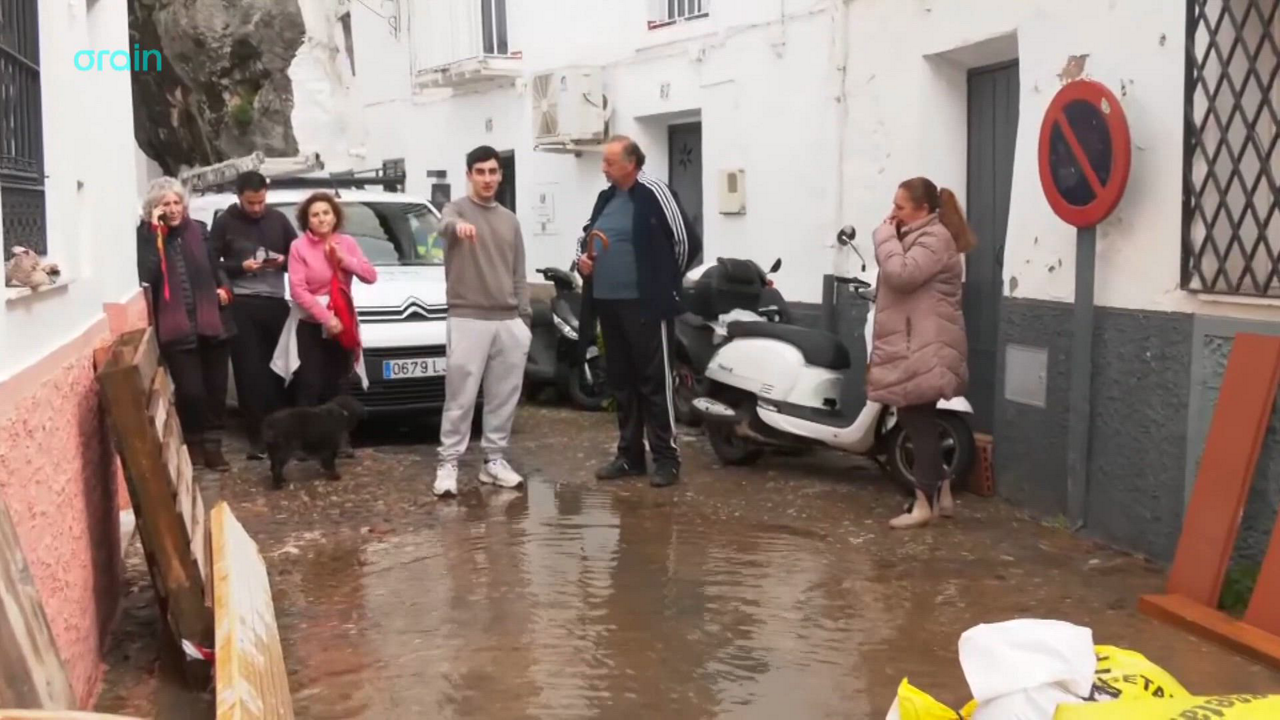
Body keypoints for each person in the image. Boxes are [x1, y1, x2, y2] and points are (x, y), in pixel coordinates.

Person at [574, 136, 702, 488]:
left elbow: (687, 242)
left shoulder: (654, 192)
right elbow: (585, 237)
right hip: (608, 304)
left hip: (645, 305)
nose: (603, 168)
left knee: (654, 382)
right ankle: (629, 456)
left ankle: (666, 459)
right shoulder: (606, 198)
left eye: (609, 162)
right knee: (623, 383)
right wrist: (581, 260)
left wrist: (663, 282)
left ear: (631, 163)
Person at [868, 177, 974, 529]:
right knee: (917, 417)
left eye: (900, 207)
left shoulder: (934, 238)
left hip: (926, 345)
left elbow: (901, 274)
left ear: (923, 209)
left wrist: (884, 236)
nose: (893, 212)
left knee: (917, 420)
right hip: (920, 343)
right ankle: (941, 492)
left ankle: (924, 503)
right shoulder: (921, 236)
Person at [432, 145, 533, 498]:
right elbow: (444, 224)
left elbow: (519, 273)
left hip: (508, 320)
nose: (487, 178)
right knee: (460, 396)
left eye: (493, 172)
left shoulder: (510, 220)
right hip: (467, 316)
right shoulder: (457, 209)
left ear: (500, 175)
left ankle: (494, 460)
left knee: (503, 396)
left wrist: (524, 319)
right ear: (469, 175)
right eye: (480, 172)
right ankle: (448, 464)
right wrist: (458, 227)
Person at [136, 177, 236, 471]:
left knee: (216, 390)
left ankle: (213, 446)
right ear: (154, 209)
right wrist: (154, 232)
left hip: (213, 321)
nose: (173, 209)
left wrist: (225, 289)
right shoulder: (146, 237)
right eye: (165, 204)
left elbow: (216, 266)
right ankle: (193, 443)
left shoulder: (200, 231)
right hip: (176, 328)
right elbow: (148, 274)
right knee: (191, 392)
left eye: (177, 202)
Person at [208, 171, 298, 459]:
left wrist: (284, 261)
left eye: (261, 201)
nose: (257, 208)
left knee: (281, 369)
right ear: (239, 197)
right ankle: (257, 438)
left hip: (276, 302)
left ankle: (283, 434)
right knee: (249, 373)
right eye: (251, 203)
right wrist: (240, 267)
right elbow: (210, 262)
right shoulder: (225, 222)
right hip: (242, 304)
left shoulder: (279, 220)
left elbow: (299, 257)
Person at [271, 192, 377, 411]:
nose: (321, 219)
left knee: (339, 384)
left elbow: (370, 276)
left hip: (342, 323)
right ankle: (307, 431)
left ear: (335, 216)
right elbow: (298, 291)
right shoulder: (299, 247)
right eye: (315, 215)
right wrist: (326, 318)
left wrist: (344, 260)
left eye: (326, 213)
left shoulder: (347, 243)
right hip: (309, 324)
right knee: (309, 384)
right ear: (307, 221)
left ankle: (338, 431)